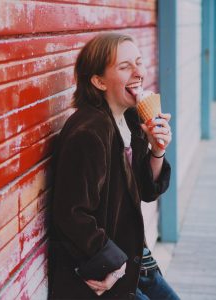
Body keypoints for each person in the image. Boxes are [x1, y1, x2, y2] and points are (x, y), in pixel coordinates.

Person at [48, 32, 180, 300]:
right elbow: (71, 213)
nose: (138, 72)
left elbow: (147, 190)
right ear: (98, 81)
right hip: (108, 271)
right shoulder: (89, 133)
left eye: (139, 62)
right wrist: (112, 263)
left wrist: (157, 150)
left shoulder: (131, 121)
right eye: (125, 66)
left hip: (137, 260)